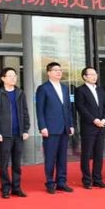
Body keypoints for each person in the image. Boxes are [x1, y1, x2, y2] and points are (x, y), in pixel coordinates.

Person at [0, 67, 30, 198]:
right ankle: (5, 188)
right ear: (3, 78)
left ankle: (16, 188)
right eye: (10, 75)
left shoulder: (20, 93)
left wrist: (26, 129)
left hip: (19, 134)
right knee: (4, 163)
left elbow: (25, 112)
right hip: (5, 135)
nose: (13, 78)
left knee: (17, 163)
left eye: (15, 75)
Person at [35, 62, 75, 194]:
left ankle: (61, 182)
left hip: (64, 128)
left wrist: (70, 124)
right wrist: (42, 127)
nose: (59, 72)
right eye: (55, 70)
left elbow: (68, 109)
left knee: (63, 157)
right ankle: (50, 182)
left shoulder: (65, 88)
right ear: (49, 73)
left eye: (60, 70)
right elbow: (39, 110)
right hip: (50, 128)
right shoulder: (43, 88)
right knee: (50, 157)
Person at [74, 67, 105, 189]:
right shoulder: (80, 90)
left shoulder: (100, 90)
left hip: (101, 126)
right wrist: (94, 120)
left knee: (99, 154)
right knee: (86, 154)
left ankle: (97, 179)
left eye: (95, 74)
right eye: (91, 74)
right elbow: (81, 108)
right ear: (84, 77)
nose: (94, 77)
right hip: (89, 126)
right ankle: (87, 180)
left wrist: (104, 119)